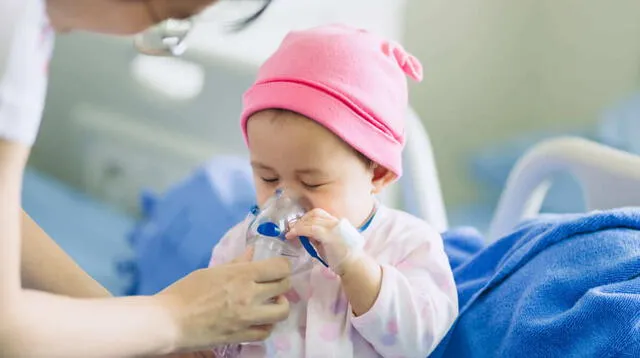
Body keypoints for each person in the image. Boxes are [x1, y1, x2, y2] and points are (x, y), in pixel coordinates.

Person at [0, 0, 290, 357]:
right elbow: (9, 332)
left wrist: (138, 332)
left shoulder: (26, 26)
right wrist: (175, 317)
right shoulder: (12, 32)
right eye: (168, 20)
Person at [208, 24, 459, 357]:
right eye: (268, 178)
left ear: (378, 173)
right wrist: (226, 308)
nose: (285, 199)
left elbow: (422, 342)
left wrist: (356, 267)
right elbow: (206, 340)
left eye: (312, 182)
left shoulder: (409, 244)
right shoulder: (238, 246)